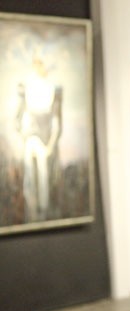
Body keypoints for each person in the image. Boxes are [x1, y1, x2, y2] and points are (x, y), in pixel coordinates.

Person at [16, 53, 62, 221]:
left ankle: (43, 205)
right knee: (29, 171)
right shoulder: (29, 89)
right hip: (31, 136)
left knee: (42, 172)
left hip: (42, 136)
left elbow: (54, 120)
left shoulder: (49, 89)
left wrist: (50, 143)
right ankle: (31, 203)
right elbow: (24, 116)